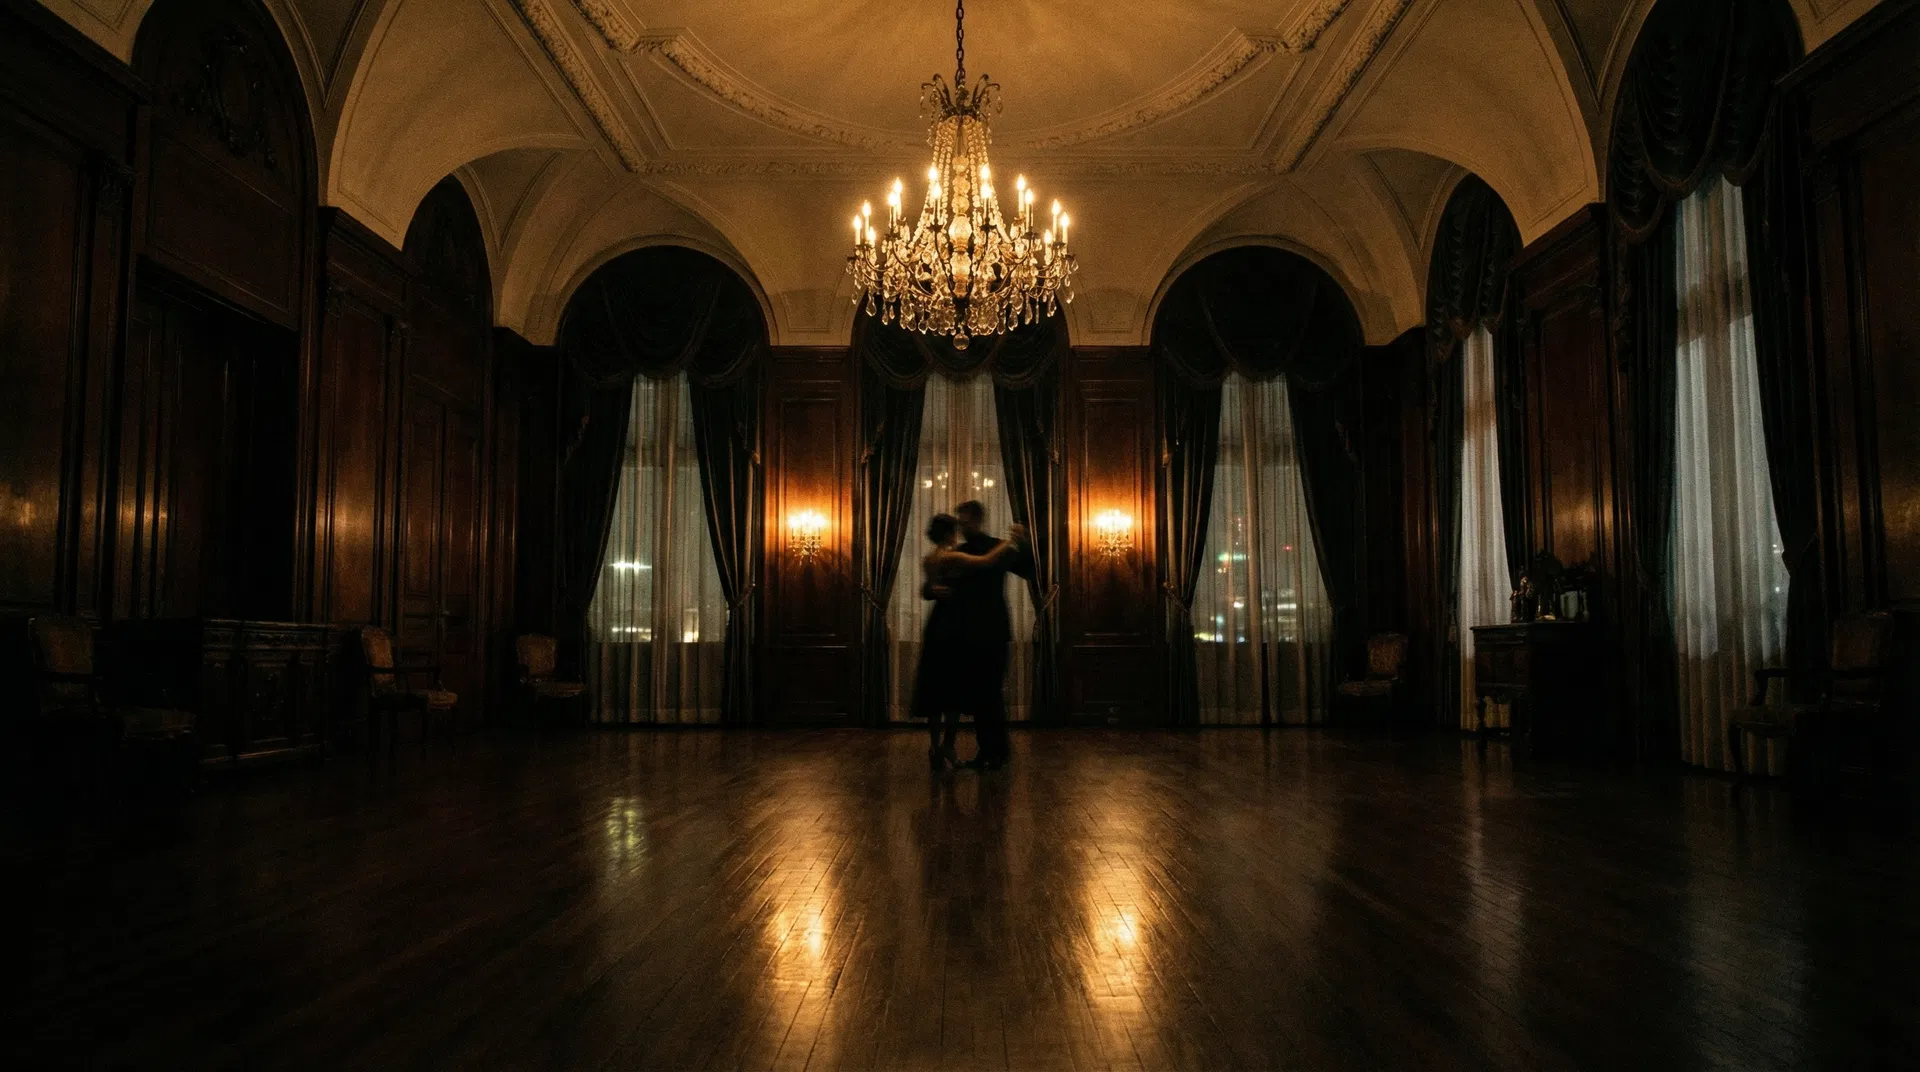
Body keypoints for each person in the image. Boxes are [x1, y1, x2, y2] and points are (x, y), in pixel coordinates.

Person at [912, 513, 1025, 771]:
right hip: (953, 626)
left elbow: (929, 588)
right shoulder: (951, 556)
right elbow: (986, 561)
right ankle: (948, 745)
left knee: (934, 687)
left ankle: (935, 746)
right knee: (953, 687)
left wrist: (934, 590)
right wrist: (1011, 540)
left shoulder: (929, 558)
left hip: (937, 623)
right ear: (949, 533)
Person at [944, 500, 1034, 770]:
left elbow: (1027, 571)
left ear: (977, 519)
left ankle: (993, 751)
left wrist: (1024, 543)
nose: (961, 527)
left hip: (986, 628)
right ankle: (993, 750)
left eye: (964, 521)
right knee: (986, 692)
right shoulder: (983, 548)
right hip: (981, 628)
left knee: (989, 692)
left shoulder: (976, 550)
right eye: (959, 522)